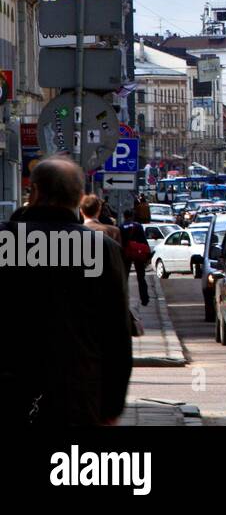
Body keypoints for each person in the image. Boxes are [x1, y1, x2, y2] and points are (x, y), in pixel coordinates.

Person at [0, 158, 132, 425]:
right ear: (79, 197)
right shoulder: (101, 249)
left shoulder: (6, 242)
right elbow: (117, 332)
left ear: (33, 192)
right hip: (77, 393)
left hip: (10, 388)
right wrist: (112, 406)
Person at [119, 211, 152, 306]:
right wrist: (147, 254)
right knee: (141, 277)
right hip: (138, 253)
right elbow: (143, 240)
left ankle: (124, 298)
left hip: (126, 253)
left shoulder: (121, 227)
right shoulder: (138, 226)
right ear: (132, 216)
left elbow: (120, 242)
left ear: (124, 216)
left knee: (124, 277)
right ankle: (144, 298)